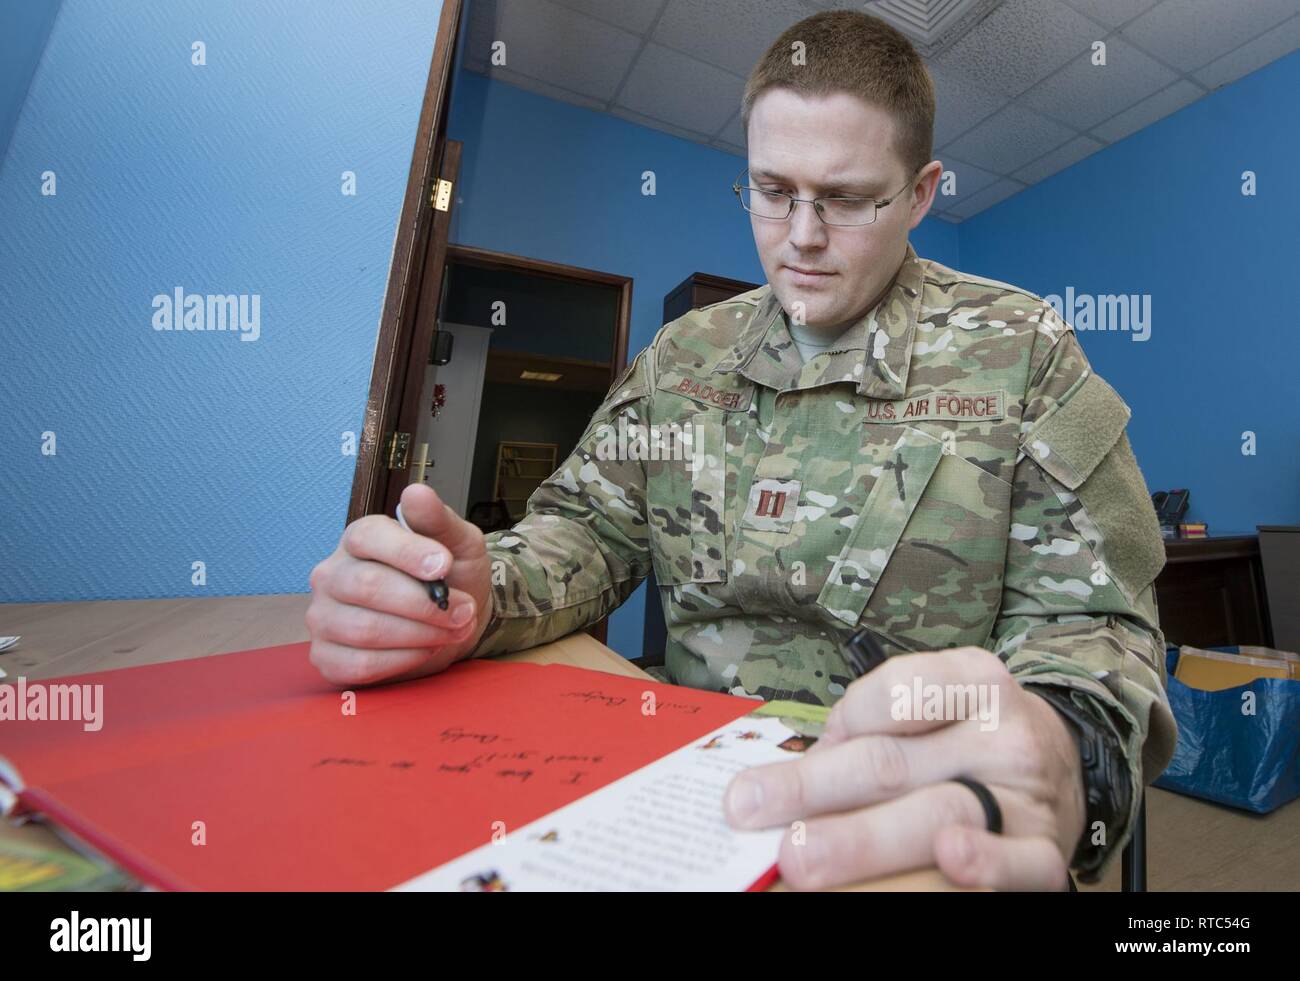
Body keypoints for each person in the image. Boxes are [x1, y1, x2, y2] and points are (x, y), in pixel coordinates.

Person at [306, 10, 1176, 891]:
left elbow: (1094, 628)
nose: (800, 235)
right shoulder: (683, 355)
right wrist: (481, 591)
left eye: (844, 198)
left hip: (917, 823)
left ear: (920, 194)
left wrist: (1066, 759)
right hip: (692, 808)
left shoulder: (1021, 347)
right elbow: (588, 532)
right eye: (772, 189)